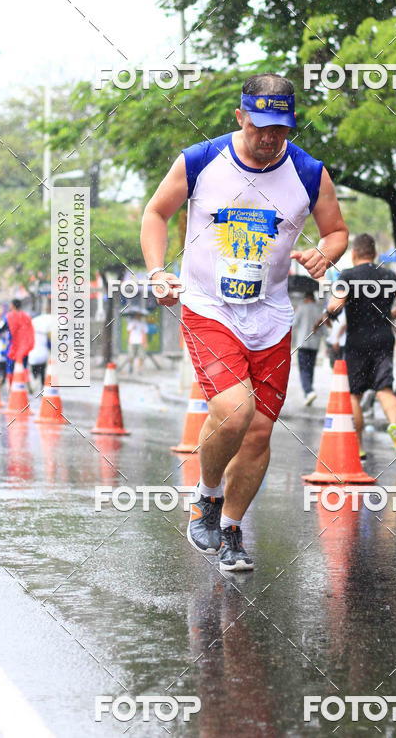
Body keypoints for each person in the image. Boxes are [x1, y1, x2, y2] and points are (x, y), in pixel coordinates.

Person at [140, 72, 348, 571]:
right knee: (234, 411)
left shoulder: (309, 172)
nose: (269, 137)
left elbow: (337, 231)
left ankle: (231, 528)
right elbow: (155, 214)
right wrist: (156, 271)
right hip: (209, 306)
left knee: (257, 433)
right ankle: (207, 497)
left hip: (271, 315)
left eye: (280, 128)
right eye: (259, 126)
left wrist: (324, 252)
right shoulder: (200, 160)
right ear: (240, 117)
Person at [326, 233, 396, 459]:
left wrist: (331, 310)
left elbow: (335, 305)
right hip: (384, 340)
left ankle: (358, 446)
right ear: (374, 254)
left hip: (357, 341)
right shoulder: (389, 275)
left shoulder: (346, 276)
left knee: (354, 394)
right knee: (384, 389)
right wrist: (389, 314)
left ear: (354, 253)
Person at [292, 290, 325, 406]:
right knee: (310, 369)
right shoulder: (319, 310)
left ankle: (309, 391)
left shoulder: (302, 307)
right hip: (315, 345)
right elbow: (323, 329)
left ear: (306, 297)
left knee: (304, 369)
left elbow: (293, 323)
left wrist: (295, 312)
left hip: (303, 343)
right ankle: (308, 393)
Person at [6, 299, 35, 384]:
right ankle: (25, 382)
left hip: (14, 346)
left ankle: (12, 386)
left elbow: (4, 329)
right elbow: (30, 330)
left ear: (13, 305)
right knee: (23, 365)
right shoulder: (27, 316)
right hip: (24, 347)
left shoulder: (9, 316)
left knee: (11, 367)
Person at [29, 313, 51, 389]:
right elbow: (49, 345)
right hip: (43, 356)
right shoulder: (45, 334)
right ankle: (42, 387)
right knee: (42, 372)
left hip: (33, 356)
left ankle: (34, 382)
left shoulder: (32, 333)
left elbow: (29, 344)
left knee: (34, 372)